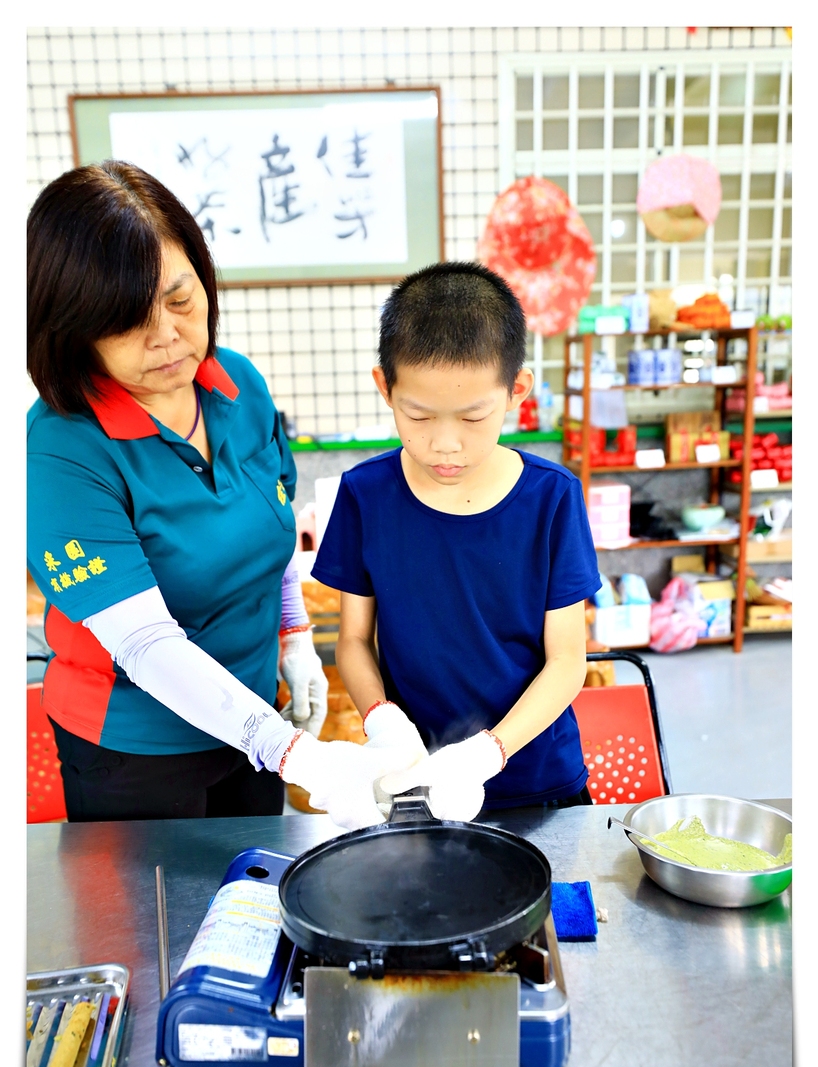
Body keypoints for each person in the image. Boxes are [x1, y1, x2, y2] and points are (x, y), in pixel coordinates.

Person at [26, 161, 419, 827]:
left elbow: (275, 526)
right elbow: (146, 643)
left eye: (181, 300)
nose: (168, 335)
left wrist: (294, 636)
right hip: (132, 749)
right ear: (71, 328)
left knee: (253, 902)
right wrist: (293, 752)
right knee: (156, 926)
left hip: (252, 717)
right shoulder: (60, 450)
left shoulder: (237, 385)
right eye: (127, 321)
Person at [311, 261, 602, 824]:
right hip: (416, 784)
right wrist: (382, 721)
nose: (445, 444)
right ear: (384, 387)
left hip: (537, 777)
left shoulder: (552, 500)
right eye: (416, 415)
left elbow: (567, 660)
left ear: (517, 390)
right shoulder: (365, 497)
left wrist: (487, 753)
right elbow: (352, 640)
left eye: (473, 417)